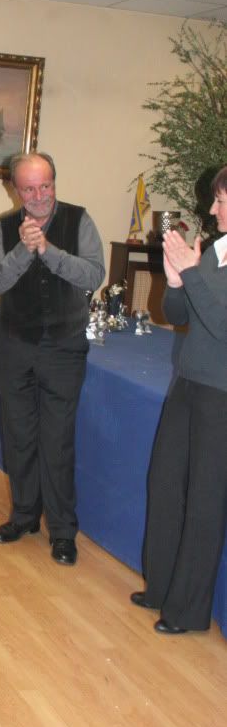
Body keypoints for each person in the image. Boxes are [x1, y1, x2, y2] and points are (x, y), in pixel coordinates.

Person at [0, 152, 104, 565]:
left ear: (55, 182)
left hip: (63, 348)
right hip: (14, 345)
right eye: (30, 189)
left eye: (46, 186)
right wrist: (24, 248)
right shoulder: (2, 227)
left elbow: (93, 275)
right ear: (15, 190)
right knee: (18, 435)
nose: (39, 196)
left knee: (57, 440)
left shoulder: (79, 220)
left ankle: (63, 531)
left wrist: (47, 250)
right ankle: (24, 517)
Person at [131, 165, 227, 634]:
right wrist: (174, 281)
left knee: (206, 501)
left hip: (222, 395)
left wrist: (191, 273)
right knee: (165, 484)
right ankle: (161, 587)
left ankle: (188, 611)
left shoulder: (206, 258)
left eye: (221, 200)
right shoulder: (216, 251)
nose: (213, 208)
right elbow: (180, 315)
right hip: (189, 383)